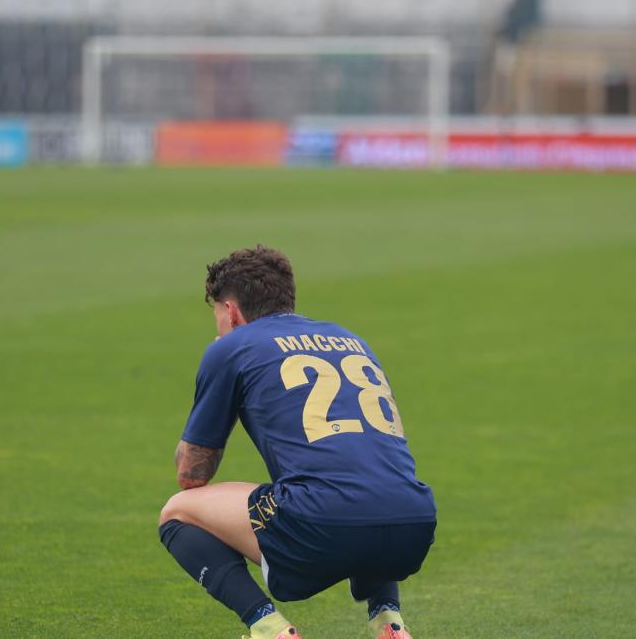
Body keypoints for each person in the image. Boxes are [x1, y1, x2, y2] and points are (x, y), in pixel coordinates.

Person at [158, 246, 436, 639]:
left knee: (177, 512)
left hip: (322, 525)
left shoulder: (230, 347)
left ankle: (268, 627)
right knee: (365, 482)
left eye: (218, 315)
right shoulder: (350, 339)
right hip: (414, 522)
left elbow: (191, 474)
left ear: (232, 311)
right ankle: (388, 621)